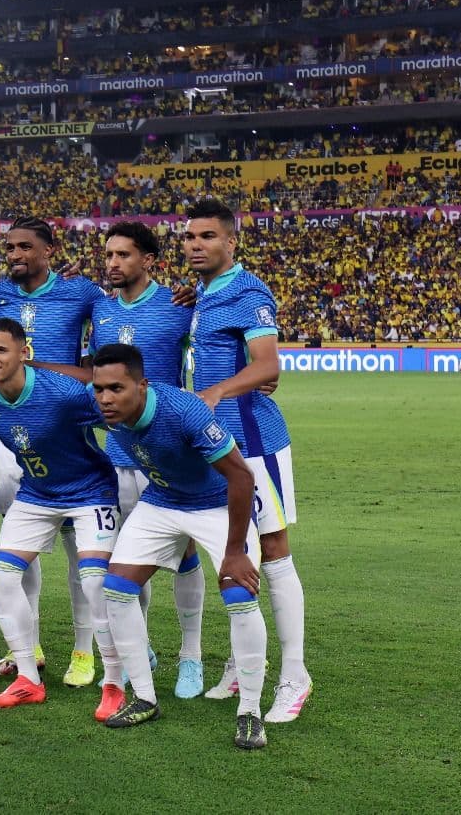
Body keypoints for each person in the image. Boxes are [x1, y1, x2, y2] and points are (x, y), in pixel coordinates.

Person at [91, 344, 267, 748]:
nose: (105, 398)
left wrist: (235, 551)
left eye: (116, 388)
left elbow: (241, 477)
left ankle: (251, 712)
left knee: (240, 593)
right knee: (116, 590)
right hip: (163, 500)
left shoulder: (184, 411)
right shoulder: (103, 405)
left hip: (216, 504)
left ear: (142, 385)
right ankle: (145, 698)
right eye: (100, 389)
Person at [184, 199, 311, 724]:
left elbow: (268, 365)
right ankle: (242, 662)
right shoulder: (203, 292)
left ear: (231, 242)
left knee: (274, 551)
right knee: (233, 550)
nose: (195, 245)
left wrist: (214, 391)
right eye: (189, 237)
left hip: (254, 442)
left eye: (207, 237)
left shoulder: (248, 291)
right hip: (216, 447)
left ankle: (295, 676)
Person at [0, 318, 125, 719]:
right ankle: (27, 679)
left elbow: (120, 414)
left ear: (24, 353)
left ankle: (115, 682)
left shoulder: (67, 394)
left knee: (93, 582)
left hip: (90, 492)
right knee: (1, 575)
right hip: (37, 493)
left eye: (0, 350)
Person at [86, 221, 206, 699]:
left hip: (172, 455)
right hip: (117, 455)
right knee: (129, 558)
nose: (113, 263)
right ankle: (146, 647)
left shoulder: (178, 309)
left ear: (149, 261)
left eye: (123, 255)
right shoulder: (100, 308)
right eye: (109, 255)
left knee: (184, 557)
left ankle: (191, 656)